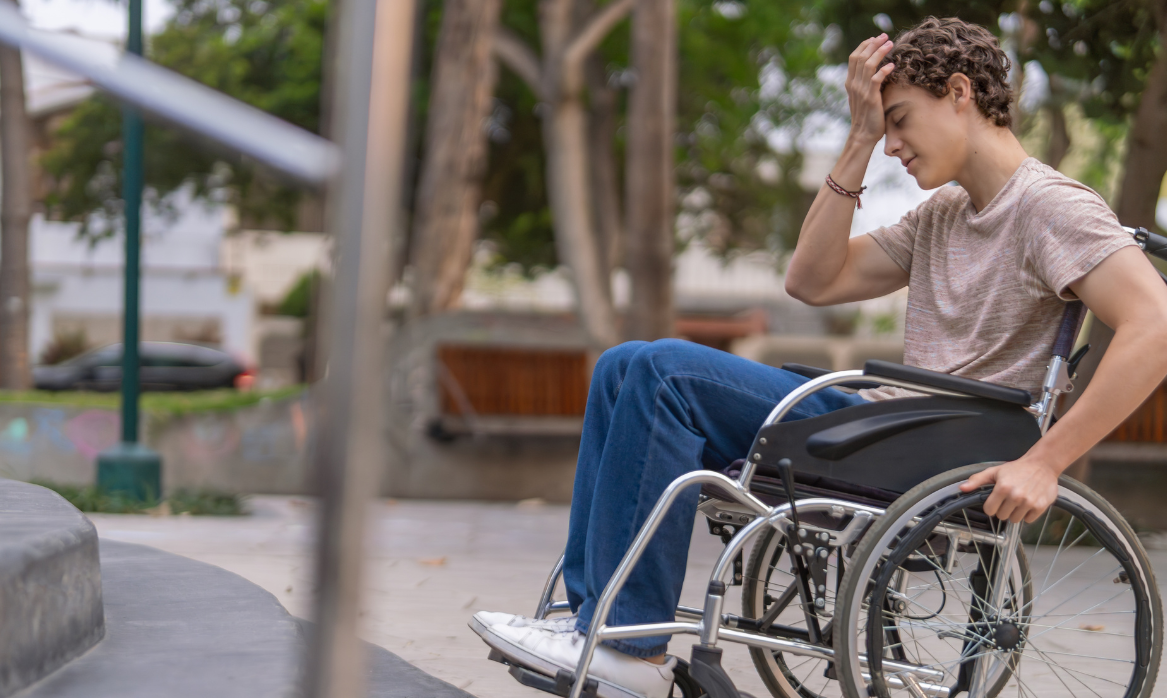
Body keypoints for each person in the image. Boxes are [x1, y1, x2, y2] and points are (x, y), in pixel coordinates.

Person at [470, 17, 1167, 698]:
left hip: (933, 446)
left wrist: (1044, 462)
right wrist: (857, 138)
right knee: (623, 365)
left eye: (898, 120)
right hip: (888, 427)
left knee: (663, 372)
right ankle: (590, 626)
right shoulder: (944, 213)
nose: (892, 144)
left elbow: (1155, 325)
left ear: (960, 92)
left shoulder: (1051, 207)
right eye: (882, 128)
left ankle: (628, 648)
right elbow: (812, 279)